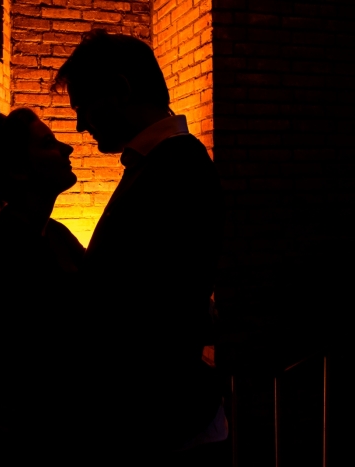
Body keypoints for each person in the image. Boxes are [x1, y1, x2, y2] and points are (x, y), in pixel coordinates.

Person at [52, 29, 227, 464]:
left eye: (83, 106)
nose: (79, 125)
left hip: (165, 429)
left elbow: (153, 305)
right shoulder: (160, 164)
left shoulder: (175, 167)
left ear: (121, 90)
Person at [0, 106, 86, 465]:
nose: (66, 149)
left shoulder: (54, 233)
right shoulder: (6, 253)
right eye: (48, 144)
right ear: (17, 170)